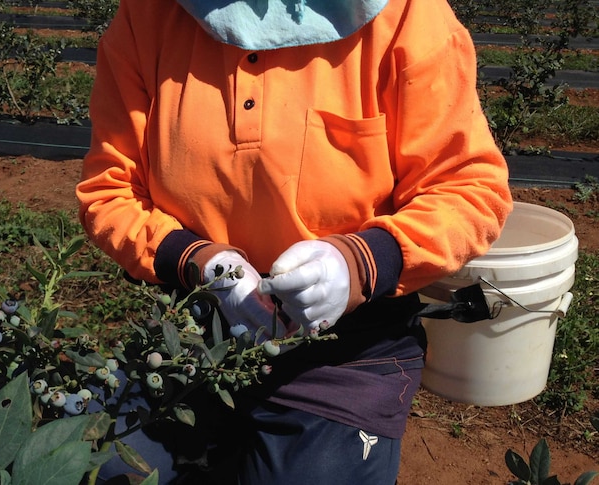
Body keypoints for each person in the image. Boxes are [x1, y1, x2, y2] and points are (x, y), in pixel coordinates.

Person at [76, 0, 513, 483]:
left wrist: (359, 264)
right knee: (104, 468)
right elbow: (110, 190)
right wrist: (196, 261)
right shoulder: (151, 15)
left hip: (346, 354)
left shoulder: (407, 15)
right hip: (195, 335)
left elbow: (467, 189)